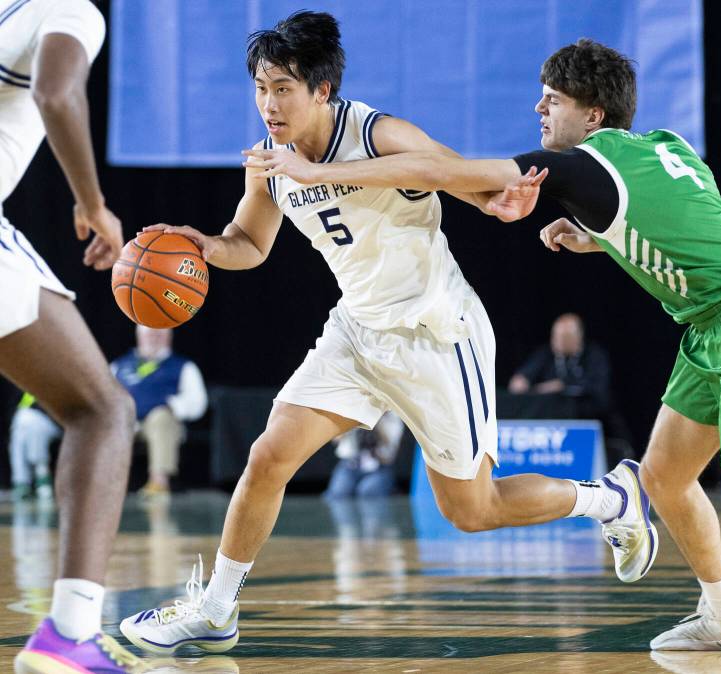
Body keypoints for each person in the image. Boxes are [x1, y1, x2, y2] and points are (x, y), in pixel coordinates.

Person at [246, 38, 721, 650]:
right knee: (664, 479)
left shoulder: (577, 163)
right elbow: (700, 221)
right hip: (718, 320)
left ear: (588, 111)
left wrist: (318, 168)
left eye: (550, 102)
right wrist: (598, 240)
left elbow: (442, 170)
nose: (539, 112)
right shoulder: (667, 146)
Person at [119, 13, 656, 656]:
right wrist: (205, 247)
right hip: (357, 331)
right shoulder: (269, 161)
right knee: (268, 456)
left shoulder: (375, 131)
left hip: (435, 333)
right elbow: (251, 244)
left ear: (322, 91)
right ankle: (215, 609)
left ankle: (610, 499)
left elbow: (449, 171)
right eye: (261, 87)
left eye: (283, 87)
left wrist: (493, 201)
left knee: (472, 511)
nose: (268, 103)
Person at [1, 1, 142, 672]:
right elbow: (57, 93)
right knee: (102, 410)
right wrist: (92, 203)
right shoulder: (68, 9)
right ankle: (69, 635)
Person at [111, 325, 208, 497]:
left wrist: (170, 405)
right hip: (127, 422)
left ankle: (158, 482)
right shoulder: (120, 365)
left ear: (168, 338)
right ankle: (106, 483)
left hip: (161, 424)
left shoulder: (183, 366)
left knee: (160, 417)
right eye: (149, 335)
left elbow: (198, 402)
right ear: (139, 336)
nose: (153, 339)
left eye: (158, 335)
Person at [509, 313, 611, 411]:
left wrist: (562, 386)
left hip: (589, 414)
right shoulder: (547, 353)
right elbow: (524, 376)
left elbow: (597, 389)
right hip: (552, 415)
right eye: (555, 336)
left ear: (578, 337)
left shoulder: (594, 355)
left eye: (564, 337)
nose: (557, 341)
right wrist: (521, 379)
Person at [323, 411, 402, 499]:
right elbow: (336, 439)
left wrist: (375, 420)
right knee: (339, 492)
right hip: (349, 464)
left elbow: (389, 451)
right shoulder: (351, 410)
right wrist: (351, 420)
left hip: (379, 467)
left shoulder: (392, 417)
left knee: (368, 492)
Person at [8, 392, 60, 501]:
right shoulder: (29, 390)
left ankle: (23, 480)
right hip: (29, 424)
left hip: (57, 424)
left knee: (30, 423)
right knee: (23, 422)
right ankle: (35, 476)